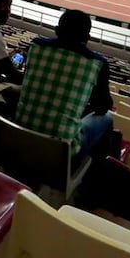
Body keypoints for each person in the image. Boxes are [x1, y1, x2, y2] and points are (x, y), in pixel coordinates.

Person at [15, 10, 113, 155]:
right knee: (107, 118)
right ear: (87, 37)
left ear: (57, 30)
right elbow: (103, 107)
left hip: (18, 135)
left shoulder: (35, 46)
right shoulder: (98, 63)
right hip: (61, 151)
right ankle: (94, 171)